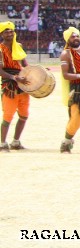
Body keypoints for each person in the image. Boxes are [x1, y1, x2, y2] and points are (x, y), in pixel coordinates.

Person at [0, 22, 29, 151]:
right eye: (6, 31)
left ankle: (16, 142)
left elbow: (25, 64)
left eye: (11, 31)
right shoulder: (0, 49)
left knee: (24, 115)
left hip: (22, 85)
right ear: (1, 34)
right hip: (10, 85)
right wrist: (14, 77)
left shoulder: (19, 46)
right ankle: (2, 143)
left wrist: (37, 71)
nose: (10, 33)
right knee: (8, 116)